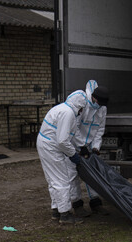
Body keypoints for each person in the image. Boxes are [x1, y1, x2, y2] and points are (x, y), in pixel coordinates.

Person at [37, 90, 89, 224]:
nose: (81, 112)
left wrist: (82, 145)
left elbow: (73, 132)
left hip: (46, 144)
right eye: (82, 109)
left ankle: (56, 211)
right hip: (51, 147)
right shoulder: (68, 113)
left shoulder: (63, 108)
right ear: (79, 106)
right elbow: (62, 141)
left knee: (53, 180)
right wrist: (73, 155)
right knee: (62, 181)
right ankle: (65, 214)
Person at [68, 80, 111, 216]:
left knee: (93, 174)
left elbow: (100, 129)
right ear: (93, 97)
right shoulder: (82, 105)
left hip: (89, 145)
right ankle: (77, 204)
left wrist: (96, 147)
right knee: (73, 174)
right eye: (98, 102)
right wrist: (81, 146)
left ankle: (96, 203)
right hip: (74, 145)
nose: (99, 106)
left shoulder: (102, 108)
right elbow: (74, 127)